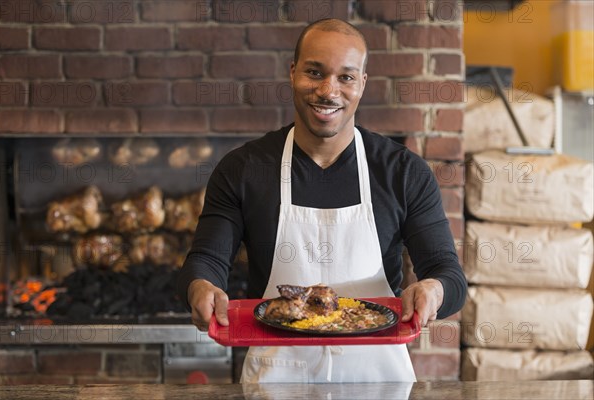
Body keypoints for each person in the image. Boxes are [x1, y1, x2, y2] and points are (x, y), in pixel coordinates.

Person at [178, 18, 467, 383]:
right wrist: (200, 287)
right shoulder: (244, 169)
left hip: (376, 380)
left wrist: (433, 289)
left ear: (362, 83)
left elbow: (448, 274)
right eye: (315, 72)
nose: (328, 90)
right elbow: (205, 260)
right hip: (278, 378)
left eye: (345, 77)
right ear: (293, 72)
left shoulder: (403, 172)